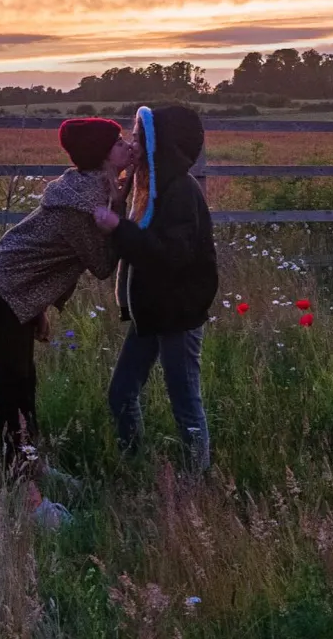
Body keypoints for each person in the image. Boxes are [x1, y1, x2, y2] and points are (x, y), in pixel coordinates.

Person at [0, 117, 133, 474]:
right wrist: (123, 218)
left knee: (24, 376)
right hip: (4, 284)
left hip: (19, 284)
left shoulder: (92, 186)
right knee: (13, 379)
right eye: (119, 142)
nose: (126, 147)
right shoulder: (82, 204)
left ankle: (26, 456)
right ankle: (17, 466)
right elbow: (102, 264)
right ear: (102, 153)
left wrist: (38, 306)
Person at [93, 105, 218, 473]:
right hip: (151, 310)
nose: (132, 143)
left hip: (177, 313)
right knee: (121, 394)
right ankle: (133, 465)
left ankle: (195, 485)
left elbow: (170, 255)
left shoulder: (179, 191)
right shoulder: (148, 186)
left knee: (185, 404)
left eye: (139, 136)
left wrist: (119, 228)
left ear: (158, 144)